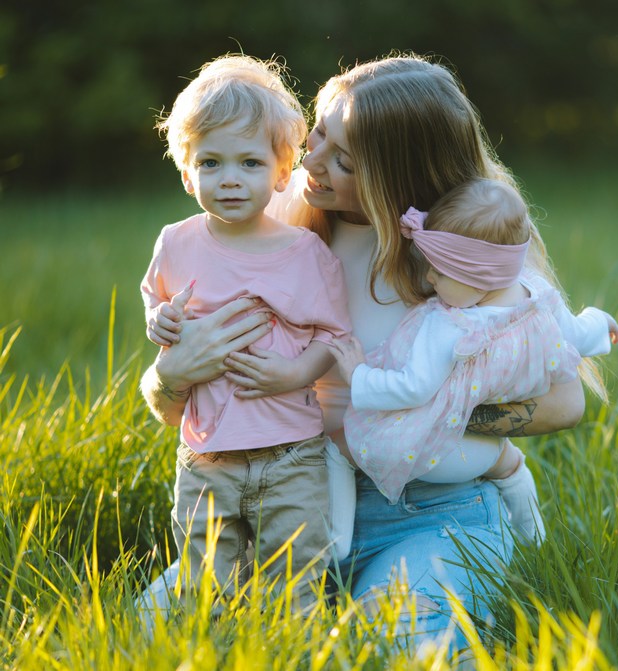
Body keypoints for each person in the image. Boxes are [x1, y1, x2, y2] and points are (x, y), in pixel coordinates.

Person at [139, 53, 594, 653]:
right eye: (319, 132)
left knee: (402, 645)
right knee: (156, 628)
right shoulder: (277, 226)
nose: (312, 161)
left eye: (345, 160)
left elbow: (565, 401)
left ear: (400, 178)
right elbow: (182, 404)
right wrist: (169, 376)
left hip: (432, 514)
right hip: (289, 503)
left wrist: (415, 416)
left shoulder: (467, 249)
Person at [139, 54, 352, 607]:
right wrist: (159, 321)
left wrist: (292, 372)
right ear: (187, 173)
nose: (229, 179)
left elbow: (333, 336)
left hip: (291, 452)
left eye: (250, 164)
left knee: (297, 571)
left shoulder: (305, 254)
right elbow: (157, 300)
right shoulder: (176, 242)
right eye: (210, 163)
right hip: (208, 453)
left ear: (283, 172)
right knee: (202, 580)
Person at [327, 177, 618, 545]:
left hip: (432, 456)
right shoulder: (539, 297)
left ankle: (334, 543)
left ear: (479, 277)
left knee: (339, 448)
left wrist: (359, 375)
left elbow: (413, 388)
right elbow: (576, 334)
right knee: (511, 465)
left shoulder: (448, 324)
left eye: (440, 271)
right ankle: (535, 541)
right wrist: (603, 323)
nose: (430, 278)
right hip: (483, 455)